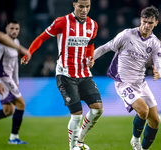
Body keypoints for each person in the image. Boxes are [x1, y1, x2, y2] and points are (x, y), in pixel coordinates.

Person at [21, 0, 103, 149]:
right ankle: (73, 147)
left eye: (87, 6)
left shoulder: (93, 25)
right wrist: (29, 53)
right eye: (81, 6)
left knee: (98, 109)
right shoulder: (62, 22)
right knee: (77, 114)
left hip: (84, 73)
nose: (85, 10)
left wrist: (91, 58)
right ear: (74, 4)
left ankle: (80, 140)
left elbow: (90, 45)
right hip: (65, 74)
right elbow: (41, 37)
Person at [94, 6, 161, 150]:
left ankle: (143, 149)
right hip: (123, 82)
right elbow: (106, 47)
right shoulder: (127, 35)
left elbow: (158, 63)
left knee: (155, 121)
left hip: (141, 83)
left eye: (150, 23)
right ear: (140, 20)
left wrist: (159, 72)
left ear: (156, 23)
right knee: (143, 111)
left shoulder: (156, 43)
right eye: (144, 21)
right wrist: (90, 58)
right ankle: (135, 140)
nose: (146, 25)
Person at [0, 20, 28, 145]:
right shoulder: (0, 43)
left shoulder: (16, 43)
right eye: (12, 28)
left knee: (8, 111)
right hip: (2, 78)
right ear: (6, 29)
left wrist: (16, 81)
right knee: (21, 104)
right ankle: (14, 138)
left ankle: (13, 138)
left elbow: (15, 65)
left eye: (17, 29)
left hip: (9, 79)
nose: (14, 31)